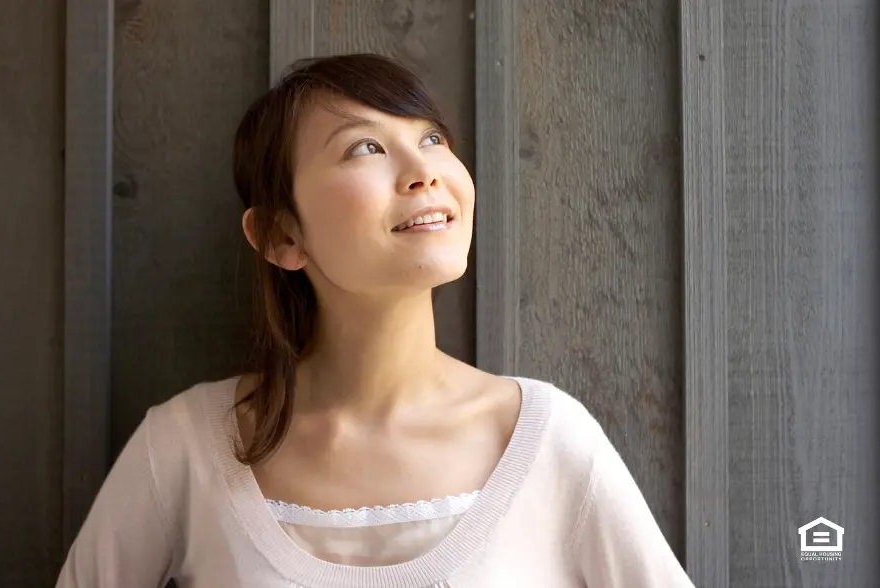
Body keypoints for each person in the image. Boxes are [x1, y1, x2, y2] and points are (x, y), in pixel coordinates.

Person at [55, 53, 695, 587]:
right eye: (366, 147)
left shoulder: (546, 439)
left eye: (432, 139)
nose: (424, 173)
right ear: (281, 235)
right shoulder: (186, 446)